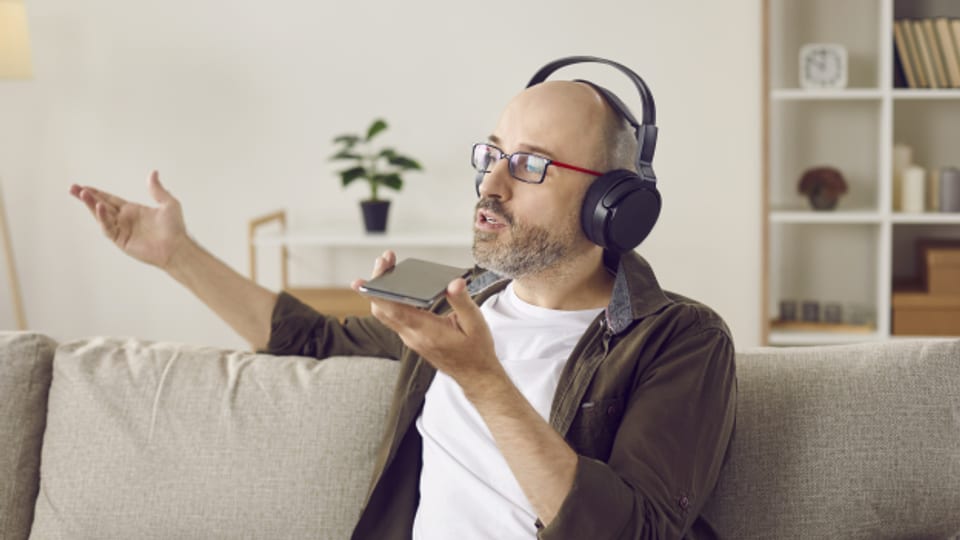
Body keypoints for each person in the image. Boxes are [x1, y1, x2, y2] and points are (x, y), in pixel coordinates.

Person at [70, 58, 736, 539]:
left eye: (532, 164)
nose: (492, 185)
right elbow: (312, 341)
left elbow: (634, 533)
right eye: (492, 154)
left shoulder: (677, 338)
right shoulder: (459, 302)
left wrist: (483, 380)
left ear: (611, 206)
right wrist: (176, 255)